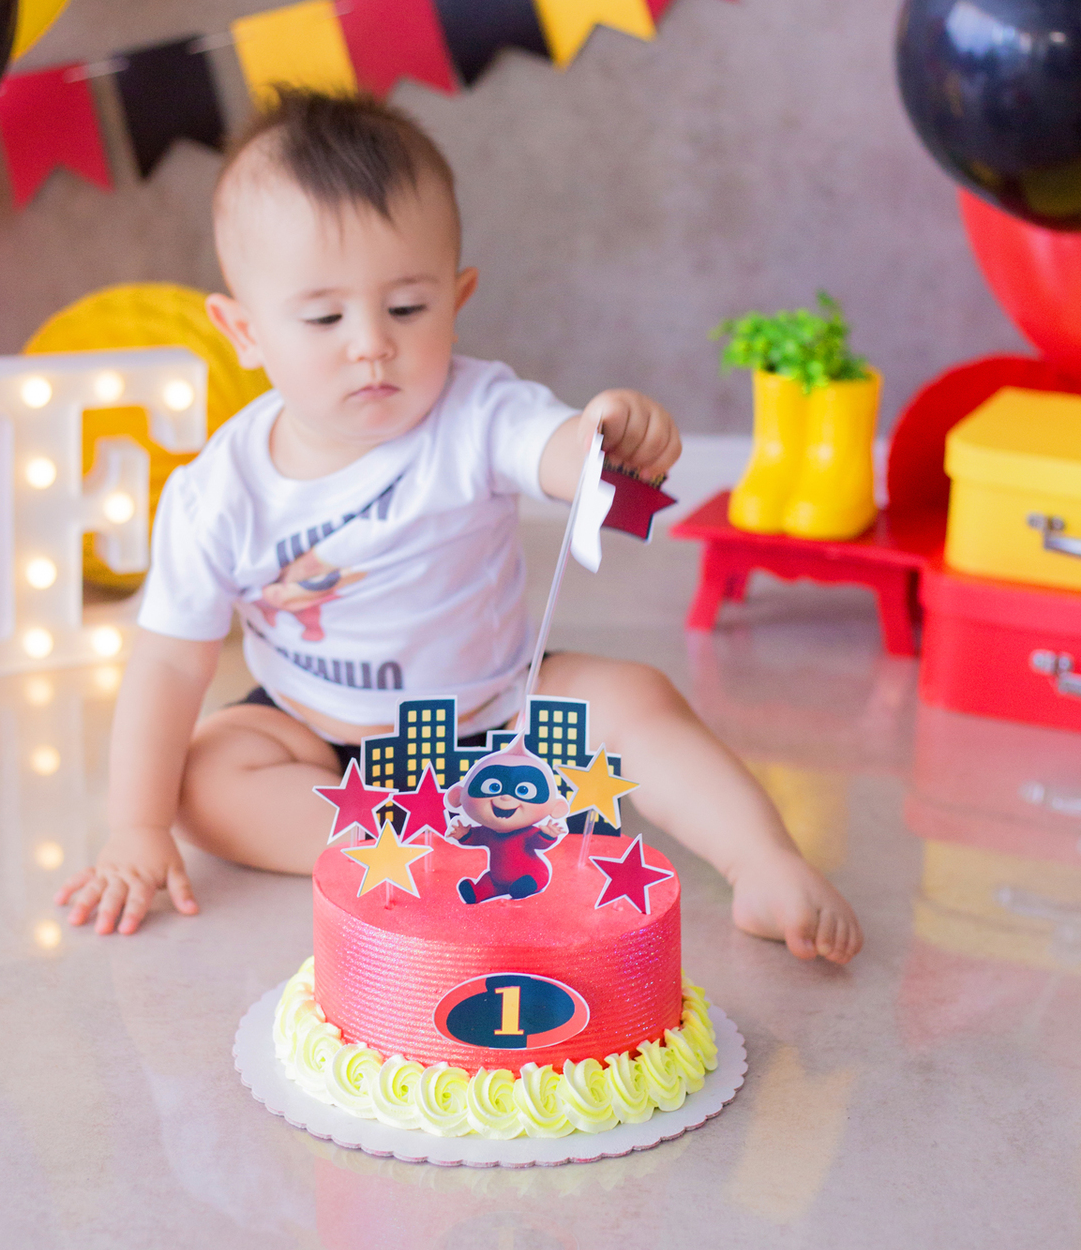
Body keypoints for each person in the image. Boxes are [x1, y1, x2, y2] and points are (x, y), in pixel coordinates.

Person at [58, 88, 862, 965]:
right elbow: (171, 660)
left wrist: (602, 435)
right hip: (314, 730)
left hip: (496, 713)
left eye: (406, 307)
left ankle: (762, 861)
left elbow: (551, 447)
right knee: (204, 780)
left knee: (635, 698)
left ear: (457, 296)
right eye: (324, 317)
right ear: (243, 330)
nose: (372, 343)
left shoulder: (476, 410)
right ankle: (421, 856)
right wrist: (135, 826)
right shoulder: (220, 491)